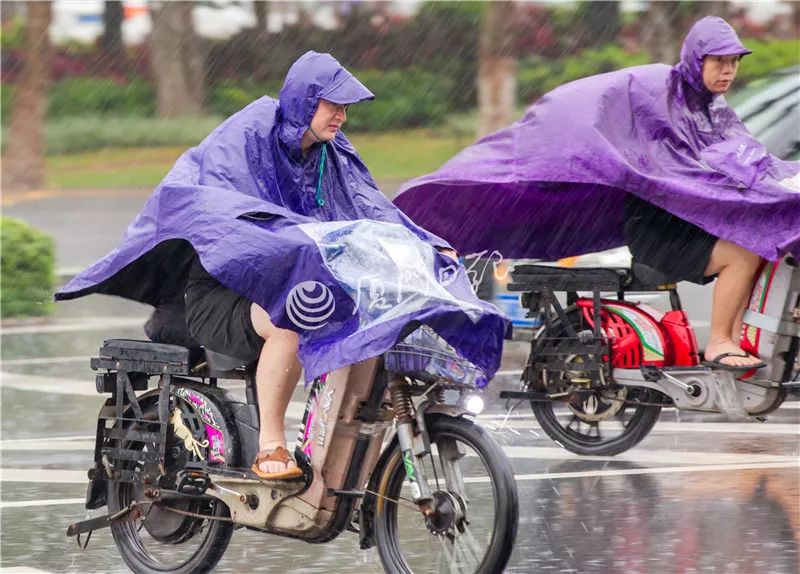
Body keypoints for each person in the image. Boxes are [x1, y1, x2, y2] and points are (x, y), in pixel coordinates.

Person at [56, 52, 479, 481]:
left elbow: (369, 206)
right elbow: (222, 211)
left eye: (346, 108)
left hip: (289, 282)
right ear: (304, 101)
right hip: (221, 292)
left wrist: (427, 245)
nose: (342, 117)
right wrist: (294, 239)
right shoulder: (248, 134)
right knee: (292, 319)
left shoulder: (331, 151)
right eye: (333, 105)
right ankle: (270, 447)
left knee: (366, 319)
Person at [394, 17, 799, 372]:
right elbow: (595, 112)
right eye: (719, 61)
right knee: (746, 252)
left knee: (777, 237)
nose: (728, 71)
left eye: (733, 62)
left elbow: (749, 162)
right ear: (696, 59)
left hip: (693, 224)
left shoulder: (715, 109)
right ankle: (721, 342)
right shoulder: (656, 90)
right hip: (658, 231)